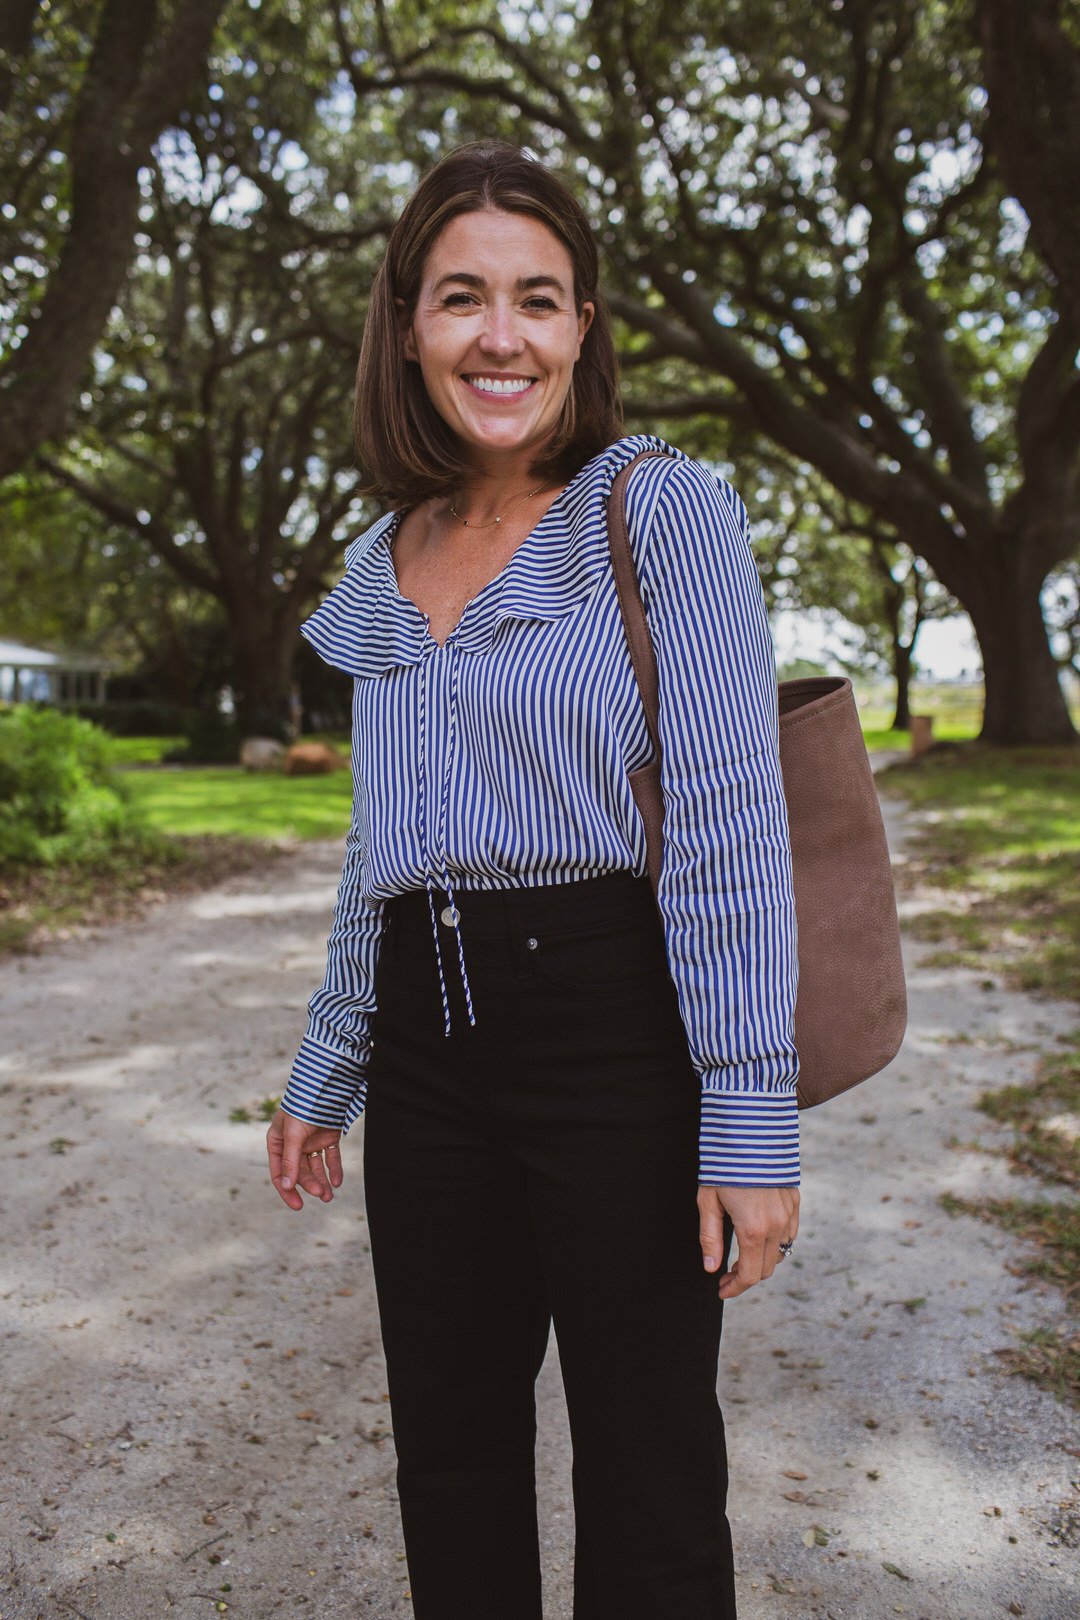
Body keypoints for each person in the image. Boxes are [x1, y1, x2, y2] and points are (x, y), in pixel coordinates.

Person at [265, 139, 800, 1620]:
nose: (501, 335)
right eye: (462, 299)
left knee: (649, 1473)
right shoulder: (391, 553)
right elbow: (383, 847)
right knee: (449, 1459)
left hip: (615, 1036)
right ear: (408, 327)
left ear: (580, 330)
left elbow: (728, 820)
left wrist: (748, 1118)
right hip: (427, 1055)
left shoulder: (659, 509)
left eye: (539, 300)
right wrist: (331, 1062)